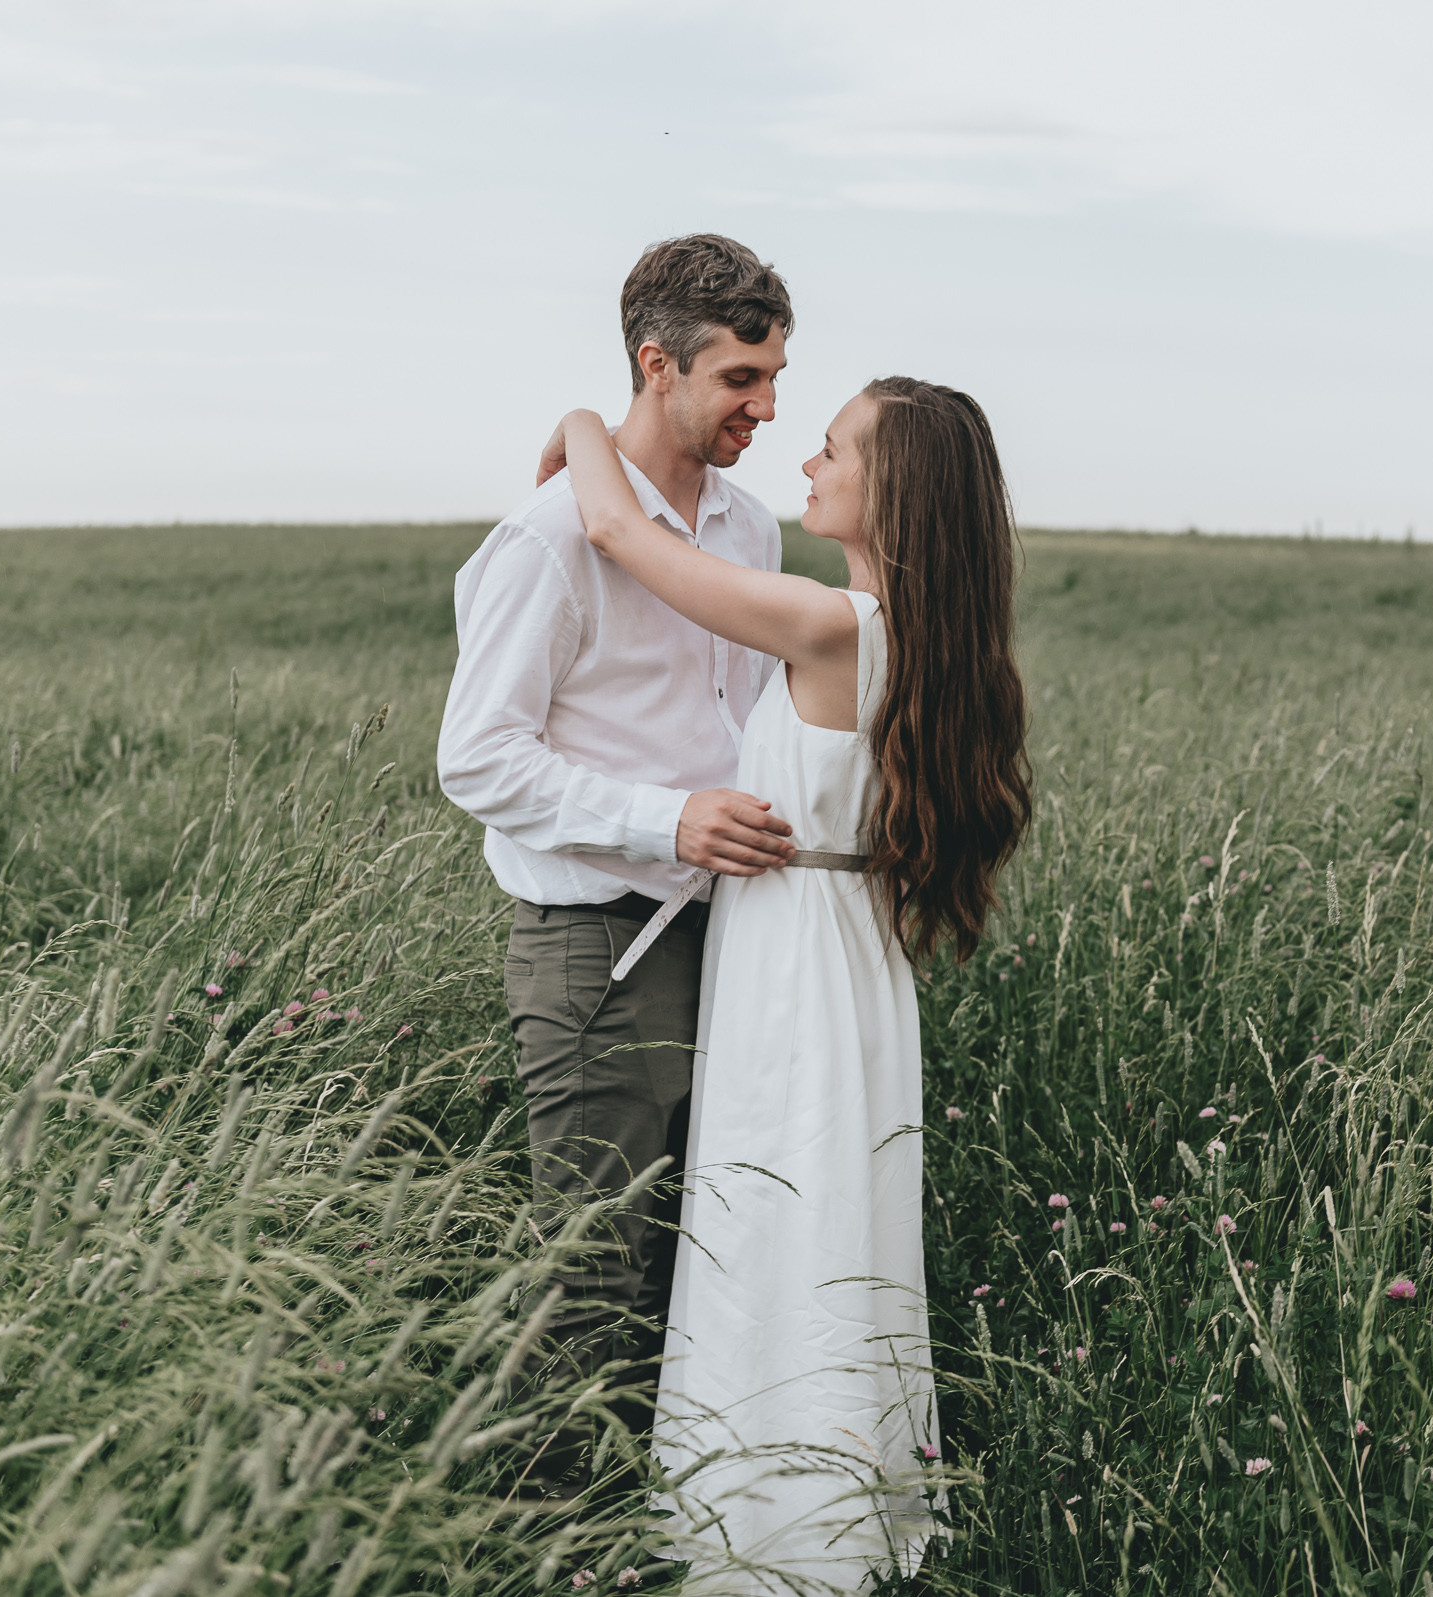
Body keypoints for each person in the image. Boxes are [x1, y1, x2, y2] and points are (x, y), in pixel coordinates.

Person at [545, 375, 1029, 1591]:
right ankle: (831, 1513)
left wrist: (582, 427)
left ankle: (769, 1538)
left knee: (779, 1215)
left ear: (894, 492)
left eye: (833, 449)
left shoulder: (835, 625)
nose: (807, 465)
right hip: (846, 952)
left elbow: (617, 529)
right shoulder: (925, 636)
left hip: (795, 965)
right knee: (830, 1218)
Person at [436, 234, 802, 1498]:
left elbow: (753, 715)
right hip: (597, 951)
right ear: (660, 364)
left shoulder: (749, 527)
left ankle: (685, 1519)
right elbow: (475, 758)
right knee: (592, 1279)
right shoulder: (550, 541)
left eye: (775, 378)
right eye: (742, 379)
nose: (767, 407)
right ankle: (549, 1537)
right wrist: (668, 820)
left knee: (712, 1259)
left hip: (740, 943)